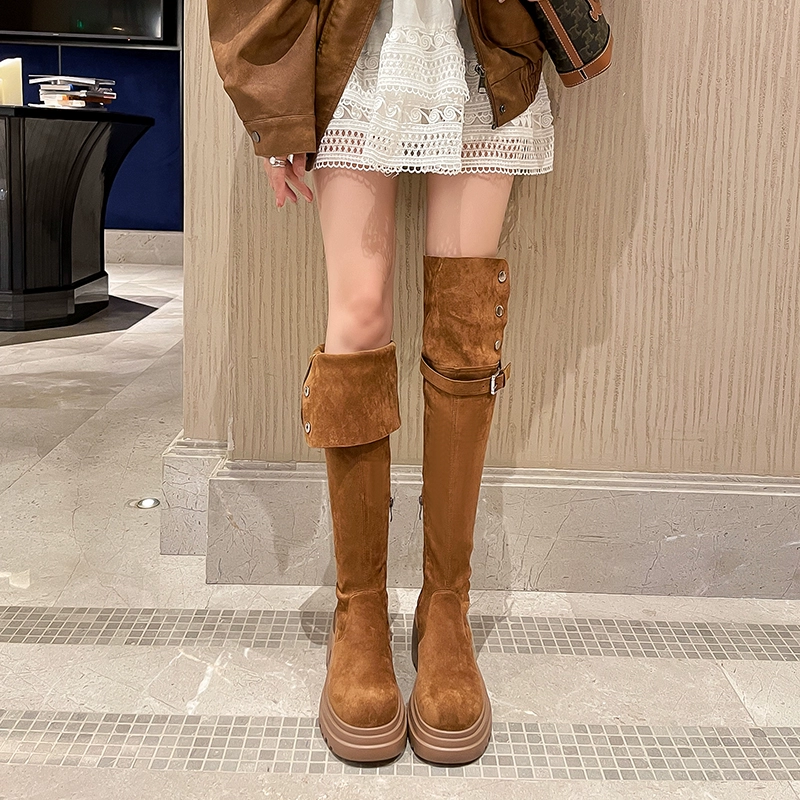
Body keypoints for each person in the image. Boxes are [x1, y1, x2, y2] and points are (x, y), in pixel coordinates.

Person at [206, 0, 553, 766]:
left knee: (467, 325)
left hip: (484, 37)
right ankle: (358, 607)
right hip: (352, 43)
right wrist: (275, 105)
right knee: (358, 316)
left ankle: (446, 605)